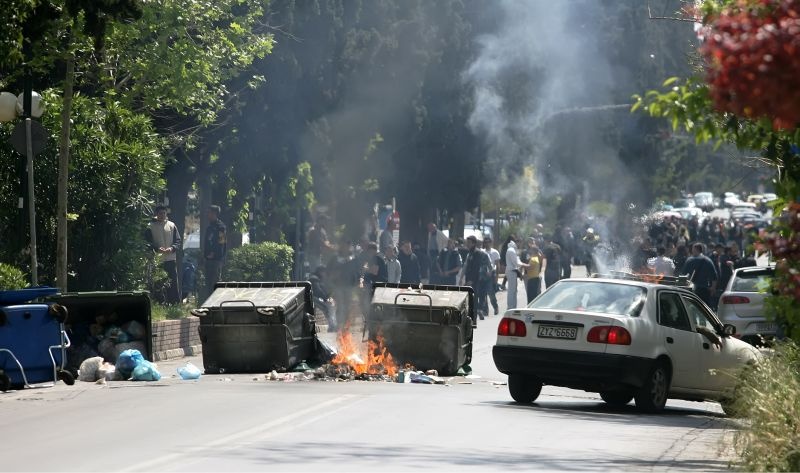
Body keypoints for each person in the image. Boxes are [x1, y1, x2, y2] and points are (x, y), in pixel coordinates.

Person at [145, 205, 182, 304]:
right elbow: (147, 242)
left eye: (164, 213)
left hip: (170, 258)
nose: (162, 215)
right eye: (160, 213)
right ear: (156, 214)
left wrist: (172, 248)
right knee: (158, 283)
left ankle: (175, 304)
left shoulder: (172, 225)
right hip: (158, 260)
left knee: (173, 282)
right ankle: (160, 304)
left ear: (166, 214)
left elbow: (178, 241)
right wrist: (157, 249)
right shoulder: (150, 226)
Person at [681, 242, 719, 307]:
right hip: (705, 290)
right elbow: (714, 276)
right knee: (704, 308)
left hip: (691, 289)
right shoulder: (708, 261)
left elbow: (684, 275)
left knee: (692, 308)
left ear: (695, 249)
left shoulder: (689, 261)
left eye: (693, 249)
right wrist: (713, 288)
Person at [463, 235, 492, 321]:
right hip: (471, 280)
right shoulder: (470, 253)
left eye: (469, 243)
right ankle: (474, 315)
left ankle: (473, 319)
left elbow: (476, 268)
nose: (467, 244)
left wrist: (471, 280)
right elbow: (467, 267)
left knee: (474, 301)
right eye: (467, 242)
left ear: (473, 243)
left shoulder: (477, 253)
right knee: (471, 301)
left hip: (476, 281)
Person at [204, 205, 227, 298]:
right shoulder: (209, 227)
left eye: (209, 212)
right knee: (208, 283)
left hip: (216, 260)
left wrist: (215, 253)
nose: (207, 215)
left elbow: (222, 242)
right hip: (208, 259)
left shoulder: (221, 227)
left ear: (214, 214)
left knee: (215, 282)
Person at [309, 266, 337, 332]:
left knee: (314, 313)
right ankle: (332, 326)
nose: (325, 274)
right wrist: (326, 298)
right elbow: (317, 291)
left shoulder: (315, 278)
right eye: (324, 272)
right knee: (327, 308)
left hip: (312, 298)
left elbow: (322, 290)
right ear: (320, 272)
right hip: (312, 298)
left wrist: (328, 295)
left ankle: (332, 326)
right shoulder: (314, 279)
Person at [505, 235, 529, 309]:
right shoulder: (511, 250)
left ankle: (512, 306)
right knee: (512, 290)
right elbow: (516, 263)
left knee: (513, 290)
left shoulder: (513, 250)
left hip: (513, 271)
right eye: (520, 243)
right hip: (511, 271)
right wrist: (526, 265)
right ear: (517, 242)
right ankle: (511, 307)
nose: (521, 245)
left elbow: (517, 261)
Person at [483, 237, 501, 315]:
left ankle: (495, 307)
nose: (487, 244)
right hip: (483, 274)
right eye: (485, 242)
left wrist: (497, 276)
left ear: (491, 243)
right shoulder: (482, 252)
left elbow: (497, 265)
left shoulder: (495, 252)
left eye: (488, 242)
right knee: (483, 293)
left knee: (491, 293)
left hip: (491, 274)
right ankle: (485, 310)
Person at [524, 238, 543, 304]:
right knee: (533, 294)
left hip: (533, 278)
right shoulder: (535, 257)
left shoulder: (534, 258)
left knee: (532, 296)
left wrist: (521, 264)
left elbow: (529, 267)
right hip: (533, 277)